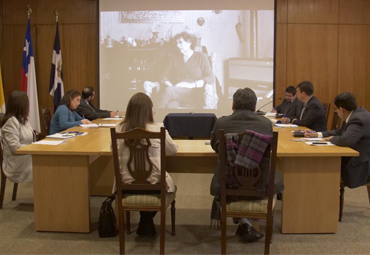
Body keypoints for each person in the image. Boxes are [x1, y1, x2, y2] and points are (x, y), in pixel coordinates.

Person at [210, 88, 284, 242]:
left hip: (228, 183)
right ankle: (246, 223)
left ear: (233, 105)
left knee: (232, 179)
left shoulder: (221, 123)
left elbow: (215, 146)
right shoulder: (265, 124)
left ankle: (244, 222)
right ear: (255, 107)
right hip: (259, 184)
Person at [115, 92, 178, 236]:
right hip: (155, 183)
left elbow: (113, 150)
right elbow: (173, 150)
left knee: (143, 184)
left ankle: (145, 220)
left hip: (126, 183)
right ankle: (146, 219)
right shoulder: (158, 128)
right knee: (162, 183)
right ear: (149, 110)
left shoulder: (119, 129)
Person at [305, 92, 370, 188]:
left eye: (336, 109)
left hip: (361, 163)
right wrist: (318, 134)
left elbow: (345, 140)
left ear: (341, 109)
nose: (336, 111)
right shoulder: (353, 114)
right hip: (355, 155)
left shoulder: (357, 119)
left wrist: (331, 139)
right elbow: (339, 132)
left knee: (325, 168)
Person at [147, 32, 215, 109]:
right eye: (176, 43)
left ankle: (150, 117)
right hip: (176, 91)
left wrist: (191, 84)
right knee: (170, 107)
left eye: (180, 42)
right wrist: (171, 86)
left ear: (189, 42)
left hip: (194, 92)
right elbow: (163, 75)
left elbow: (210, 77)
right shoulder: (174, 58)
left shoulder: (200, 57)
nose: (178, 45)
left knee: (167, 92)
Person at [0, 91, 35, 183]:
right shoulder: (10, 122)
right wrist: (33, 147)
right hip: (16, 163)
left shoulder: (24, 119)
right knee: (46, 164)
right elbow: (14, 148)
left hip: (26, 156)